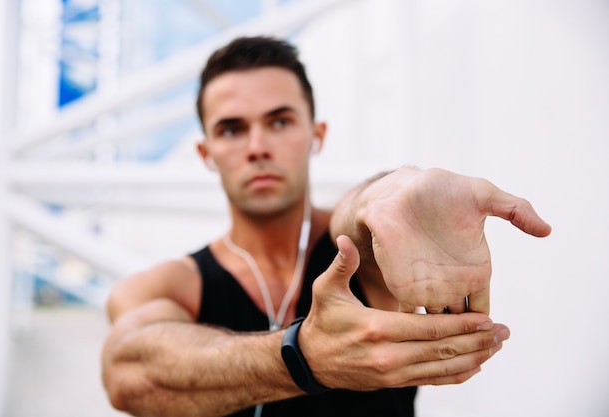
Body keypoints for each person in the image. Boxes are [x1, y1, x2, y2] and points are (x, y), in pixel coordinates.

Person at [101, 36, 551, 417]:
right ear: (206, 153)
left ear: (316, 135)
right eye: (233, 129)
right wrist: (304, 357)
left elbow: (360, 217)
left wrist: (388, 196)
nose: (258, 146)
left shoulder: (361, 255)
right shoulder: (169, 285)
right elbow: (127, 371)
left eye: (280, 121)